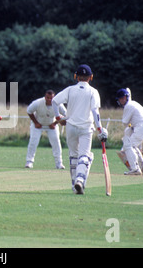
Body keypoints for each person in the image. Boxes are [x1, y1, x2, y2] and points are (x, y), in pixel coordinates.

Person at [52, 64, 108, 195]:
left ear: (75, 76)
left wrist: (58, 117)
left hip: (71, 127)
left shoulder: (70, 89)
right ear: (91, 77)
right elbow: (95, 111)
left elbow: (54, 101)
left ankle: (75, 186)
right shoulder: (93, 91)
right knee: (84, 156)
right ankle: (79, 180)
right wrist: (100, 129)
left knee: (74, 156)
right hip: (86, 127)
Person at [25, 90, 67, 169]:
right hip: (37, 125)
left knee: (56, 143)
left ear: (54, 97)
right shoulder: (38, 102)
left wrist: (55, 123)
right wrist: (36, 123)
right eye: (47, 98)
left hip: (51, 125)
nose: (49, 100)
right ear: (45, 97)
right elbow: (29, 111)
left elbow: (66, 114)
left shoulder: (58, 104)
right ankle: (29, 162)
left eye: (51, 98)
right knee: (33, 142)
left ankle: (59, 163)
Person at [116, 88, 143, 175]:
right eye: (119, 99)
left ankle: (135, 169)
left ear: (125, 98)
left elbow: (125, 122)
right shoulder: (134, 103)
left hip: (140, 128)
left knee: (128, 146)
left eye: (121, 99)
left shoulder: (128, 106)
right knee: (133, 146)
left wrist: (130, 125)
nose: (120, 101)